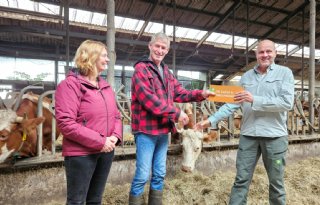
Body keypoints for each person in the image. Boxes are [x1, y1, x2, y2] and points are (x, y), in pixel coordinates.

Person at [195, 39, 294, 205]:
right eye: (261, 52)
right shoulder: (246, 77)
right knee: (241, 179)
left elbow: (286, 103)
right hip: (249, 136)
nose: (265, 55)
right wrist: (210, 120)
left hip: (275, 137)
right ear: (256, 54)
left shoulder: (285, 73)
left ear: (275, 53)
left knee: (276, 183)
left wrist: (254, 99)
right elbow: (232, 104)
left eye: (269, 51)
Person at [128, 32, 215, 205]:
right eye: (157, 46)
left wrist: (201, 94)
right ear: (150, 46)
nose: (160, 50)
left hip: (162, 131)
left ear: (167, 50)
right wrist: (176, 114)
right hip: (145, 131)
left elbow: (180, 92)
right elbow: (149, 100)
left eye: (163, 48)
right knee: (143, 174)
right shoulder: (141, 69)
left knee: (159, 173)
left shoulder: (166, 71)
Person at [55, 40, 122, 205]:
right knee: (77, 201)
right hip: (81, 154)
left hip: (106, 151)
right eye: (104, 56)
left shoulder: (106, 87)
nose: (107, 60)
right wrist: (100, 141)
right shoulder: (70, 85)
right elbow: (66, 123)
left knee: (95, 200)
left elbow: (117, 116)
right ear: (91, 57)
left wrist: (115, 136)